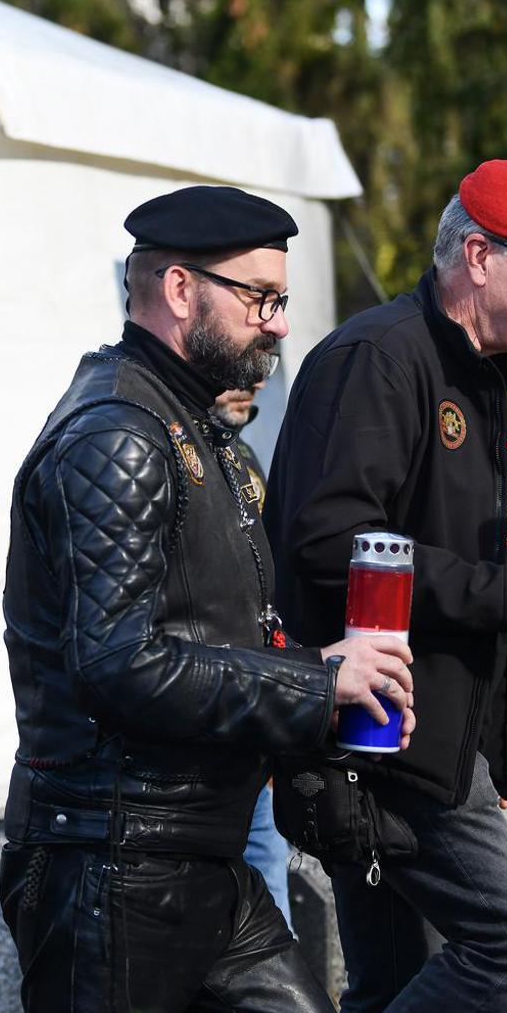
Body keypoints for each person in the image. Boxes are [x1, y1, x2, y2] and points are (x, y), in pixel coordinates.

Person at [0, 185, 415, 1013]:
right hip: (110, 866)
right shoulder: (118, 432)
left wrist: (329, 685)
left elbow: (225, 635)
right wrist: (316, 679)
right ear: (181, 290)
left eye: (282, 300)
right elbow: (117, 664)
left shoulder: (196, 427)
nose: (278, 324)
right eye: (260, 298)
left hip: (201, 859)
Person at [264, 159, 507, 1013]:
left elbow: (478, 553)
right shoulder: (378, 359)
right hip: (381, 740)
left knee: (386, 983)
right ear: (481, 255)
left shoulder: (481, 377)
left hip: (433, 733)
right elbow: (328, 539)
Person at [214, 379, 295, 934]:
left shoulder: (240, 457)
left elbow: (266, 595)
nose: (255, 381)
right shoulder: (158, 450)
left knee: (276, 936)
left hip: (252, 732)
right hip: (200, 733)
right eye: (234, 370)